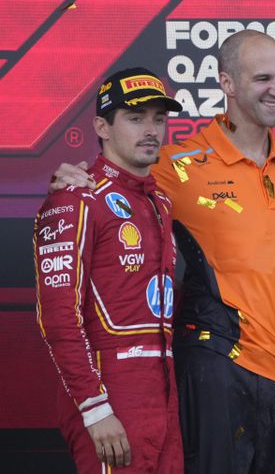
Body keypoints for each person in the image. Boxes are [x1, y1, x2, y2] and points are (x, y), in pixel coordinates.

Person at [49, 31, 275, 474]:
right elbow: (115, 176)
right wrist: (70, 177)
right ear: (227, 83)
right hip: (223, 369)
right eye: (263, 78)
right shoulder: (174, 165)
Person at [34, 67, 183, 472]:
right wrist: (94, 407)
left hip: (165, 394)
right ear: (102, 125)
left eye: (159, 118)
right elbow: (59, 318)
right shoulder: (75, 199)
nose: (151, 130)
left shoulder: (161, 202)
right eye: (135, 119)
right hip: (112, 393)